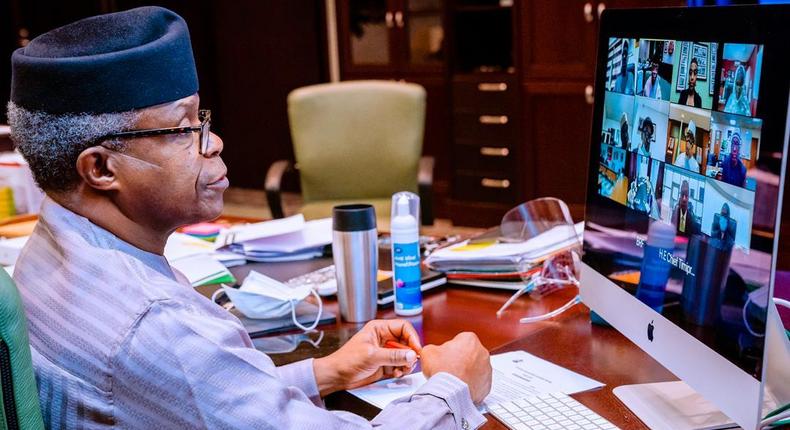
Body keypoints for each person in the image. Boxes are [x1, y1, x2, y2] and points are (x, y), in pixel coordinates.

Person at [8, 7, 492, 429]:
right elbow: (179, 366)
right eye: (181, 128)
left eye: (202, 121)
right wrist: (453, 387)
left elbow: (184, 394)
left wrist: (329, 371)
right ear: (100, 169)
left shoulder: (51, 246)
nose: (212, 142)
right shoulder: (154, 323)